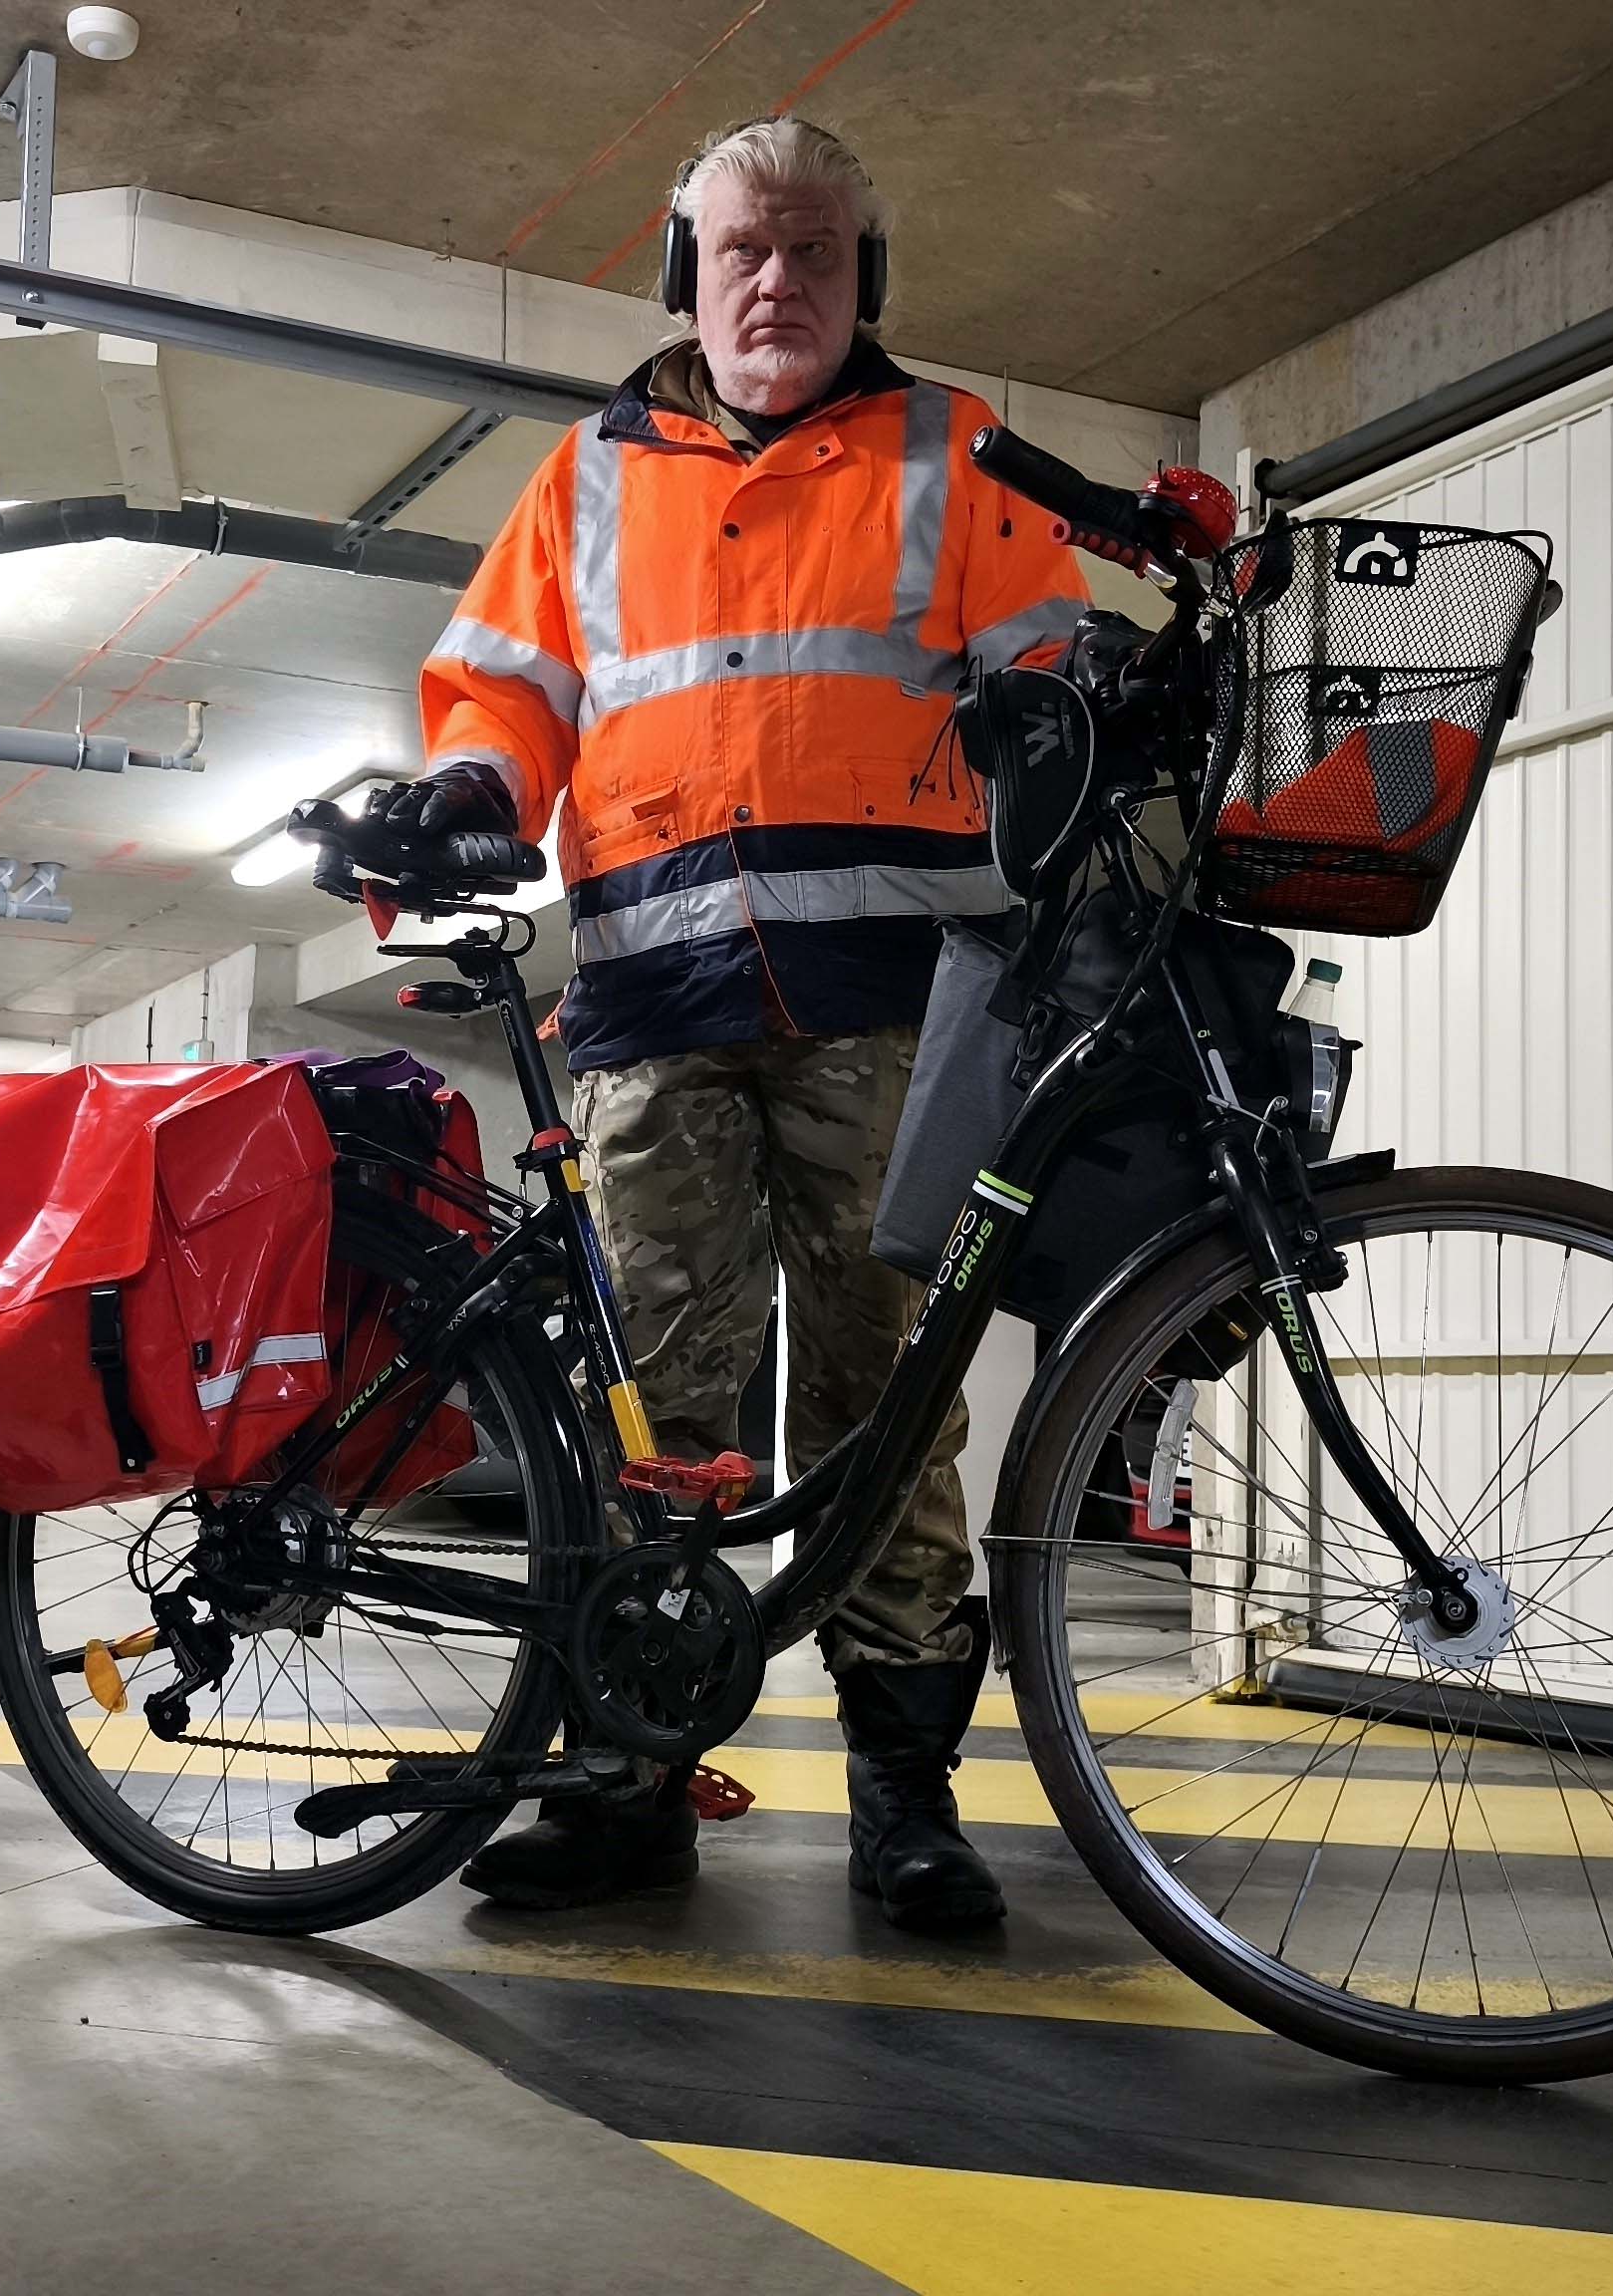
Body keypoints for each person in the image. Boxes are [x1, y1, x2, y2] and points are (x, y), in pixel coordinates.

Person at [385, 116, 1090, 1929]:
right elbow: (506, 689)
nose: (780, 283)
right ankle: (628, 1784)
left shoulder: (955, 453)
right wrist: (470, 787)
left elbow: (1049, 675)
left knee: (886, 1409)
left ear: (870, 276)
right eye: (744, 252)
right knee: (654, 1408)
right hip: (654, 1002)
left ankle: (903, 1796)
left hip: (892, 1010)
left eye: (818, 253)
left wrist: (1071, 736)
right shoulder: (590, 476)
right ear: (685, 272)